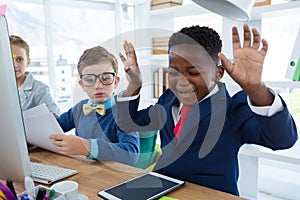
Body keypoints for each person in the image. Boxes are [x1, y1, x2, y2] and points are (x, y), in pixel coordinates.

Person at [116, 24, 298, 196]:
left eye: (193, 73)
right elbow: (129, 124)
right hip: (163, 190)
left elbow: (282, 140)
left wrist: (256, 88)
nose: (181, 81)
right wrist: (134, 85)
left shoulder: (233, 108)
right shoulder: (168, 99)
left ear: (218, 73)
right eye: (173, 72)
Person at [49, 46, 140, 166]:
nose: (98, 86)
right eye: (89, 79)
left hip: (113, 176)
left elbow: (131, 154)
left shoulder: (125, 113)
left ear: (116, 82)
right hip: (86, 172)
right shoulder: (79, 109)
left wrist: (87, 147)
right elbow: (52, 128)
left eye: (106, 78)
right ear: (82, 85)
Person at [9, 35, 60, 117]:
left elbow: (54, 118)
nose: (15, 64)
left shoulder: (40, 90)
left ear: (28, 62)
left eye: (19, 59)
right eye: (9, 59)